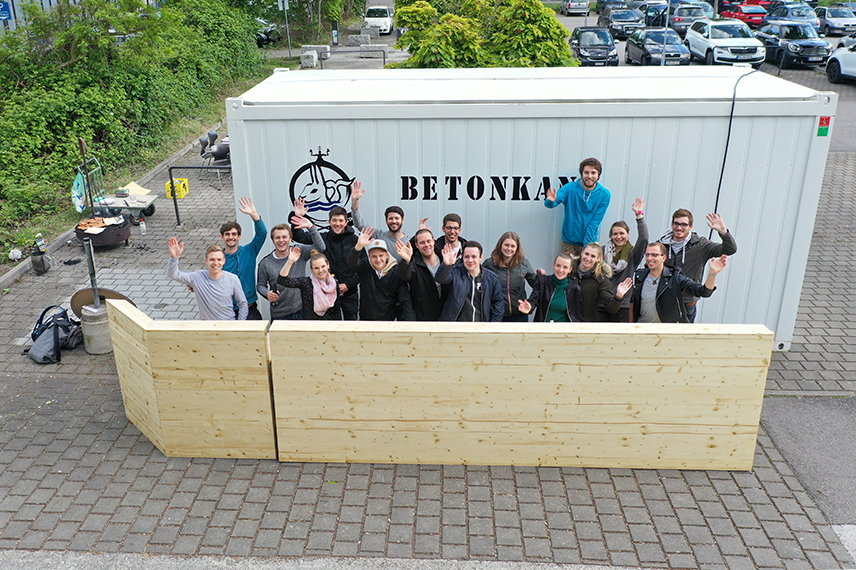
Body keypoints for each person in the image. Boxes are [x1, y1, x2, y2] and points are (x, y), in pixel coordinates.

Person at [659, 209, 737, 322]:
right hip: (663, 301)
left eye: (684, 224)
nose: (679, 228)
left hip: (687, 303)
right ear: (672, 224)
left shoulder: (700, 245)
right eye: (676, 224)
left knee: (684, 338)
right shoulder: (661, 245)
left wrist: (723, 232)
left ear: (691, 226)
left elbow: (730, 249)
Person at [633, 242, 727, 323]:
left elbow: (704, 292)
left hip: (666, 331)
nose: (649, 258)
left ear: (664, 258)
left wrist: (712, 273)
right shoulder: (639, 275)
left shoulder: (675, 277)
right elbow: (633, 302)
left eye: (654, 255)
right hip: (642, 327)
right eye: (647, 255)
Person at [256, 216, 325, 321]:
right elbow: (260, 285)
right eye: (277, 237)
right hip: (280, 314)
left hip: (302, 310)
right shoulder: (265, 263)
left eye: (284, 237)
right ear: (273, 240)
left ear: (290, 239)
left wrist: (311, 227)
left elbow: (320, 248)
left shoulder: (299, 251)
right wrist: (267, 293)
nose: (281, 240)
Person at [167, 238, 248, 320]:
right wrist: (174, 258)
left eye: (219, 260)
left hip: (228, 325)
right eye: (212, 259)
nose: (216, 263)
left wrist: (239, 324)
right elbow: (173, 274)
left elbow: (242, 303)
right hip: (207, 328)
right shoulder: (197, 277)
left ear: (224, 261)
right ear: (206, 261)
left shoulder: (233, 279)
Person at [544, 157, 611, 257]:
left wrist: (586, 247)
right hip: (569, 242)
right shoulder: (570, 188)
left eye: (593, 173)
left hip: (590, 243)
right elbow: (551, 204)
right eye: (586, 172)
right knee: (567, 271)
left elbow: (595, 223)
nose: (589, 176)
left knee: (588, 271)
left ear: (598, 175)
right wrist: (550, 201)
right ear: (582, 174)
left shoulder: (604, 195)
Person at [347, 227, 415, 321]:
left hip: (387, 323)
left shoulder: (396, 272)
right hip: (365, 321)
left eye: (381, 255)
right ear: (369, 256)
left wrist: (410, 325)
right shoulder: (365, 268)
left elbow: (405, 301)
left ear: (387, 255)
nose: (378, 260)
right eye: (374, 256)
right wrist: (358, 246)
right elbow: (351, 262)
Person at [600, 198, 649, 322]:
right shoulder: (602, 251)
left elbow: (643, 239)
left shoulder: (633, 254)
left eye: (622, 233)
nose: (618, 237)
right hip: (601, 303)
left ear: (628, 234)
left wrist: (639, 216)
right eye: (615, 234)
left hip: (622, 304)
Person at [220, 197, 267, 320]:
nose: (231, 237)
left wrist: (254, 216)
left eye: (234, 234)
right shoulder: (218, 258)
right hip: (227, 310)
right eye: (227, 234)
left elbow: (262, 234)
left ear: (239, 236)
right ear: (222, 237)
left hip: (249, 307)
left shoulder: (249, 251)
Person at [435, 241, 505, 322]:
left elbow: (498, 303)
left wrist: (492, 326)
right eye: (466, 257)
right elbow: (440, 279)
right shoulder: (455, 272)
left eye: (474, 256)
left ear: (481, 257)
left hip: (481, 327)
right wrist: (446, 265)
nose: (470, 260)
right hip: (456, 327)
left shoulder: (491, 278)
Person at [482, 232, 540, 323]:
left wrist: (540, 277)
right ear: (500, 245)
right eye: (506, 245)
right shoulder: (490, 264)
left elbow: (536, 285)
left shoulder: (523, 263)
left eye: (512, 246)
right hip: (496, 314)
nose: (509, 249)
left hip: (519, 314)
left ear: (517, 248)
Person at [276, 247, 342, 320]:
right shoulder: (306, 283)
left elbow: (337, 310)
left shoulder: (334, 284)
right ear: (311, 269)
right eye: (316, 268)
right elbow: (282, 280)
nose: (320, 270)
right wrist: (289, 262)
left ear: (328, 265)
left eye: (323, 266)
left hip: (329, 326)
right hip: (310, 326)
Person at [350, 180, 409, 262]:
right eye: (390, 218)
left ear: (403, 220)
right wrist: (355, 201)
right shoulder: (378, 236)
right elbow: (359, 224)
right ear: (386, 221)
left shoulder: (409, 242)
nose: (394, 221)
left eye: (397, 218)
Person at [395, 229, 447, 321]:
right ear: (417, 245)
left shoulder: (445, 259)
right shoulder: (414, 265)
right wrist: (407, 261)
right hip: (424, 318)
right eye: (422, 242)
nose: (426, 245)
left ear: (433, 241)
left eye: (428, 241)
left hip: (445, 318)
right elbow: (404, 276)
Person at [519, 254, 585, 322]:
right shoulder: (542, 282)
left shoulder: (575, 289)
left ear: (570, 270)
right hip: (544, 328)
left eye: (565, 267)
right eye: (558, 266)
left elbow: (578, 313)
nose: (561, 270)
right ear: (554, 266)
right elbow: (534, 299)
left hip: (565, 330)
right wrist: (529, 307)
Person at [321, 207, 360, 320]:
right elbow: (300, 237)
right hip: (327, 293)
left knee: (351, 328)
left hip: (350, 294)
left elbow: (363, 267)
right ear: (329, 222)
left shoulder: (354, 240)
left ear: (346, 222)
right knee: (331, 329)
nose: (337, 224)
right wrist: (299, 216)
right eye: (334, 220)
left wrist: (348, 285)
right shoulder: (323, 238)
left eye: (341, 220)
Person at [573, 243, 628, 322]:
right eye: (587, 254)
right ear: (582, 253)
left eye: (593, 256)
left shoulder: (601, 279)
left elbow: (611, 308)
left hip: (586, 324)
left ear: (598, 259)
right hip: (565, 321)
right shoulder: (569, 270)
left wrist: (619, 296)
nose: (588, 258)